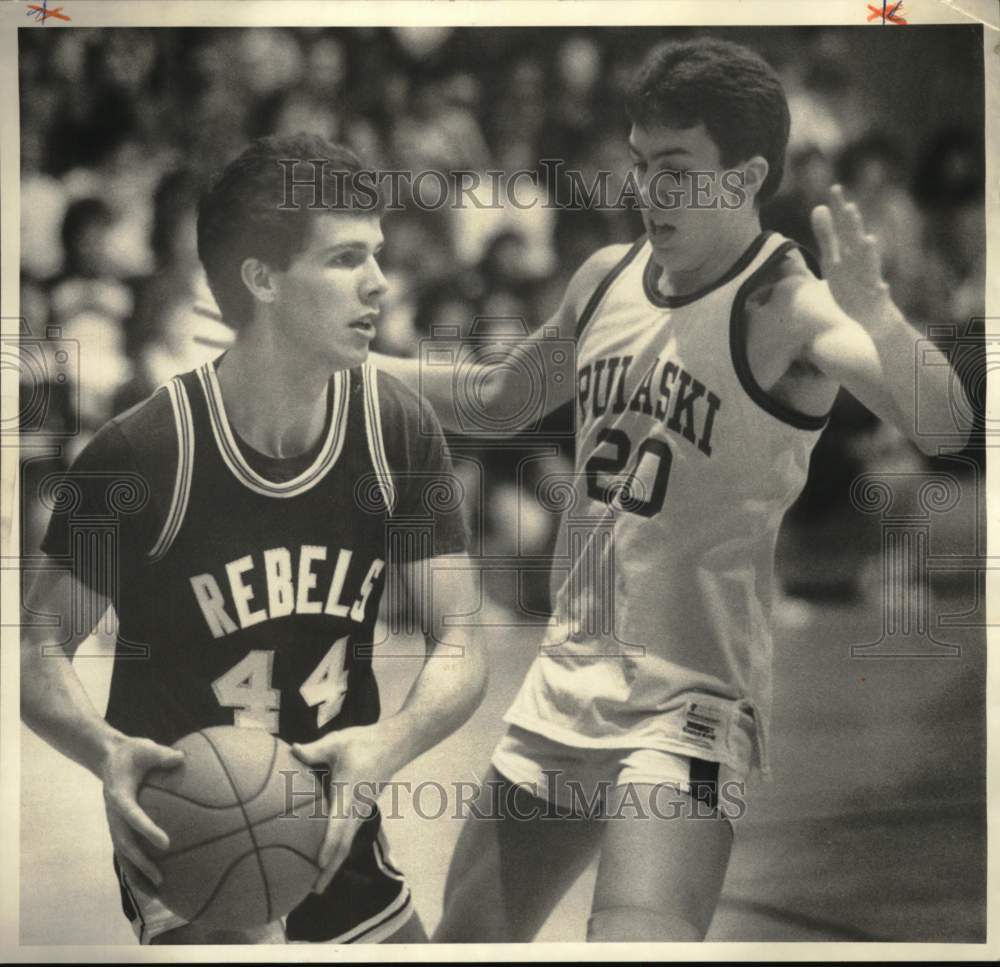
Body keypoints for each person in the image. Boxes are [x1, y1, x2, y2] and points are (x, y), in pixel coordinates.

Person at [371, 38, 971, 942]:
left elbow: (946, 425)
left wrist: (880, 318)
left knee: (634, 940)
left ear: (746, 176)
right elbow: (499, 399)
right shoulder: (603, 277)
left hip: (690, 709)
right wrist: (352, 366)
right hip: (566, 687)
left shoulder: (785, 302)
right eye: (643, 163)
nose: (650, 190)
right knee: (465, 939)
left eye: (679, 170)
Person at [20, 133, 487, 945]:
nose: (380, 282)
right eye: (345, 259)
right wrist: (105, 750)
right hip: (189, 822)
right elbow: (42, 650)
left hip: (334, 803)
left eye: (376, 254)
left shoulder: (398, 431)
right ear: (262, 279)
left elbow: (463, 638)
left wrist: (390, 740)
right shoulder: (140, 454)